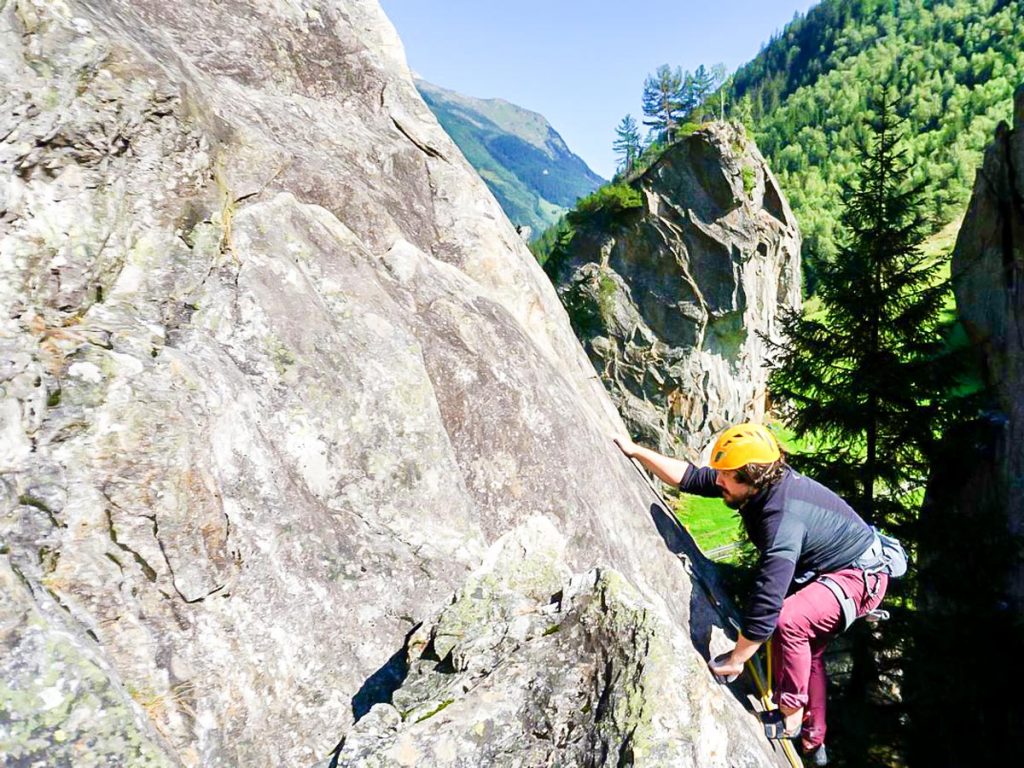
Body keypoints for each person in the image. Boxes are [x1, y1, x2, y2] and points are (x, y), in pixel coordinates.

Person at [614, 423, 890, 766]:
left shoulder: (781, 518)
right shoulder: (758, 485)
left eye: (725, 476)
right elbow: (692, 478)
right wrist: (636, 451)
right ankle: (814, 742)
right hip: (835, 568)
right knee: (808, 650)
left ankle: (791, 717)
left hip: (859, 577)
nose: (718, 480)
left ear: (750, 478)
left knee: (791, 620)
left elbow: (768, 603)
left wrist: (737, 658)